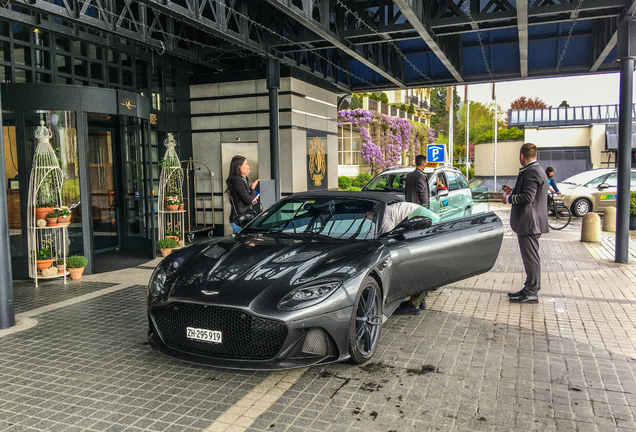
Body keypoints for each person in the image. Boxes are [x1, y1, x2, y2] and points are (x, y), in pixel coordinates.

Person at [501, 143, 549, 304]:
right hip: (531, 222)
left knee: (531, 258)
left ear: (521, 156)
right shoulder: (536, 170)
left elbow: (528, 197)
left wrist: (508, 198)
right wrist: (514, 191)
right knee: (530, 257)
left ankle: (532, 291)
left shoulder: (532, 172)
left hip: (530, 223)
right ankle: (529, 287)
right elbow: (531, 193)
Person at [226, 155, 259, 233]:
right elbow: (247, 201)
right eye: (246, 164)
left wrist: (251, 200)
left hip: (241, 218)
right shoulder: (238, 181)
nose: (248, 167)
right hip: (241, 219)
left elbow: (242, 200)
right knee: (243, 242)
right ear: (239, 166)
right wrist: (253, 188)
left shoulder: (242, 179)